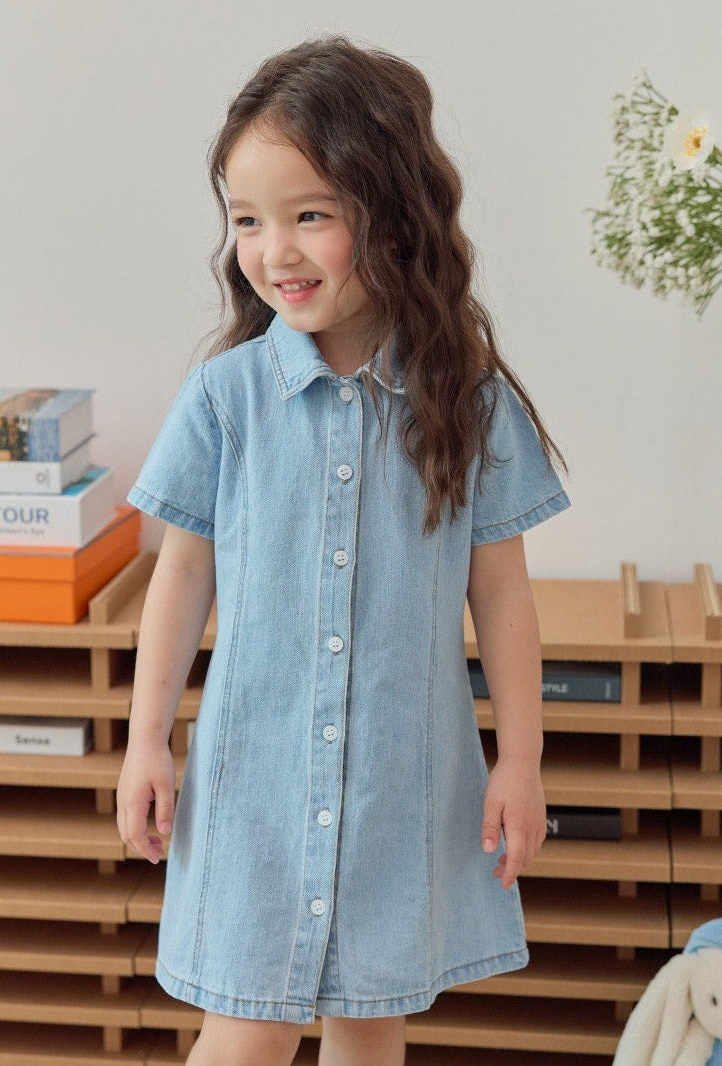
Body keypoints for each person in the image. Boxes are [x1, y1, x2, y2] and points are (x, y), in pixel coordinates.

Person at [116, 33, 572, 1066]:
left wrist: (521, 761)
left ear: (395, 216)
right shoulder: (225, 399)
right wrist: (147, 740)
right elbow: (181, 574)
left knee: (371, 1021)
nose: (273, 250)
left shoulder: (466, 403)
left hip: (395, 791)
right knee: (248, 1028)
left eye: (310, 216)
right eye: (247, 220)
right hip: (253, 788)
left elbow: (501, 595)